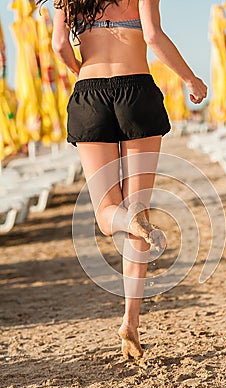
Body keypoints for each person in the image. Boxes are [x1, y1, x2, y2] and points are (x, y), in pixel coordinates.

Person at [37, 0, 207, 360]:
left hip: (89, 92)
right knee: (138, 209)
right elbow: (153, 36)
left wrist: (80, 71)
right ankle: (130, 320)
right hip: (138, 91)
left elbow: (58, 45)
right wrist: (190, 78)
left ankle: (127, 222)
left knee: (107, 215)